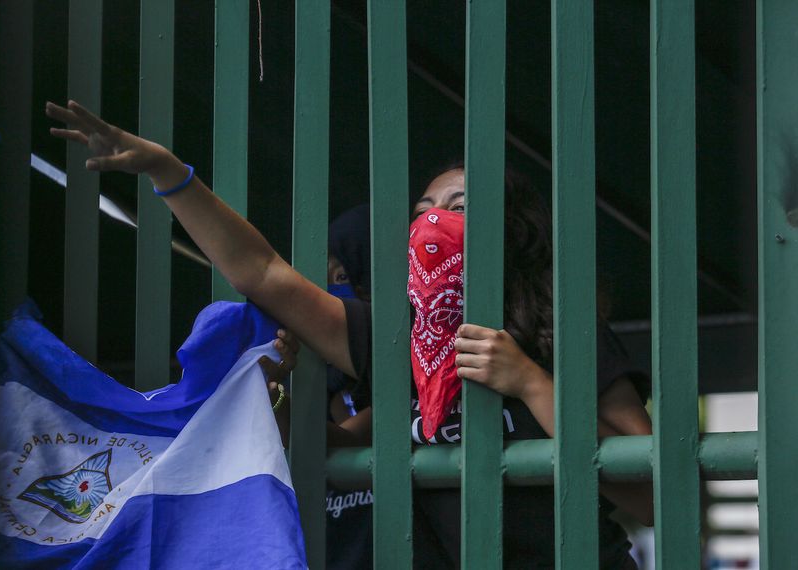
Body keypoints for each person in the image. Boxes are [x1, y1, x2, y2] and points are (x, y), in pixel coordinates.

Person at [47, 101, 653, 568]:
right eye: (423, 210)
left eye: (459, 205)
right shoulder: (402, 341)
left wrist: (530, 382)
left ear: (512, 230)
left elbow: (651, 493)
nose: (435, 220)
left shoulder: (560, 330)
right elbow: (264, 274)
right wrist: (168, 173)